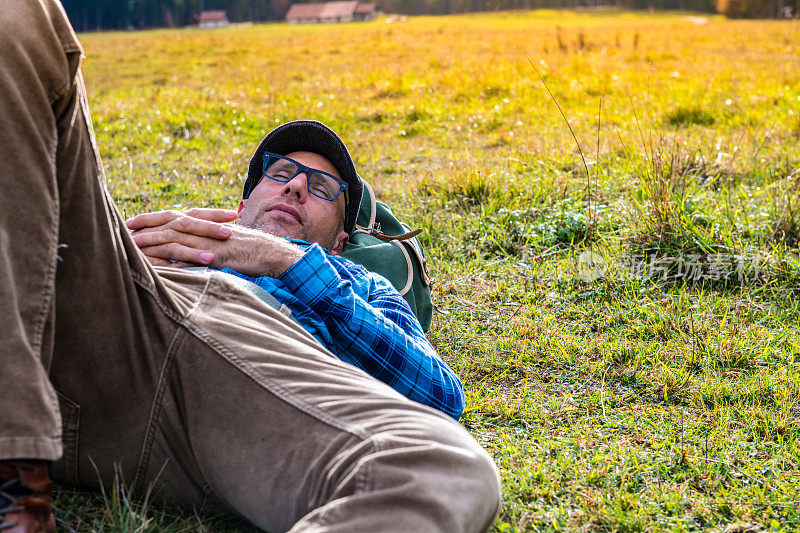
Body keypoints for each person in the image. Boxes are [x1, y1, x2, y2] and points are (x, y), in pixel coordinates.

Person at [0, 1, 501, 532]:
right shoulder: (176, 236)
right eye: (281, 172)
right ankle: (16, 494)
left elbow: (438, 395)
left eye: (323, 188)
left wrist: (286, 262)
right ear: (241, 207)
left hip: (240, 394)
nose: (296, 185)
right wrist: (112, 253)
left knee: (448, 470)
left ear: (340, 237)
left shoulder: (360, 285)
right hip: (104, 338)